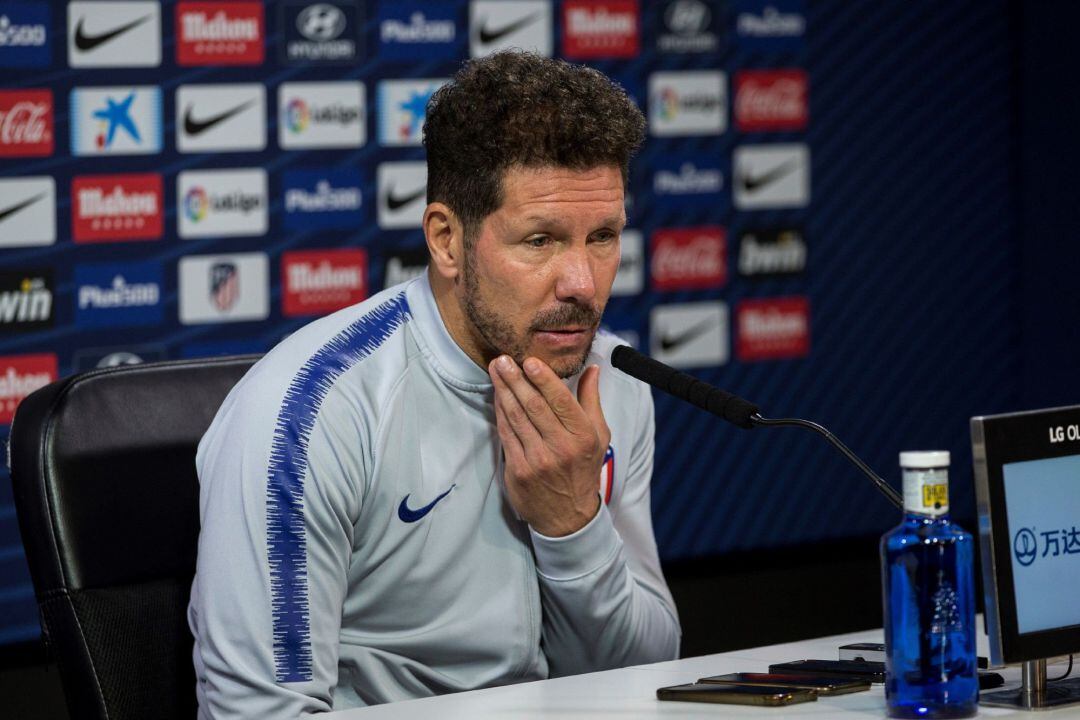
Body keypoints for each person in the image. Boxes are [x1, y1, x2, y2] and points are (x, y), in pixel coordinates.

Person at [188, 51, 680, 718]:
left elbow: (645, 678)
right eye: (540, 240)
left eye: (603, 237)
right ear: (447, 240)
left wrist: (573, 529)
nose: (583, 283)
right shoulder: (310, 413)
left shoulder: (609, 380)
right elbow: (262, 712)